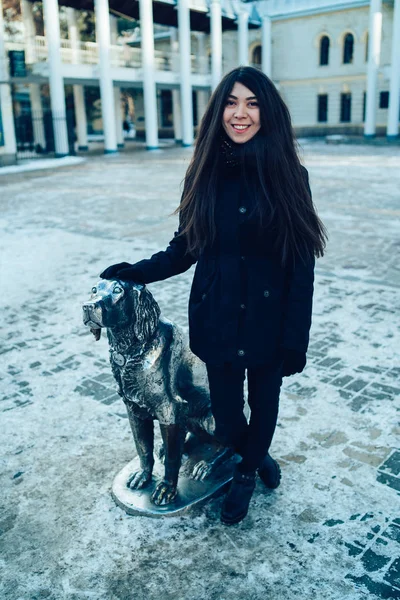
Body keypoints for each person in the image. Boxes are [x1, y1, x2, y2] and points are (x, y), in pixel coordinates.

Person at [100, 66, 327, 525]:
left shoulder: (290, 175)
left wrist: (294, 338)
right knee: (226, 419)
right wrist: (136, 273)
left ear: (268, 114)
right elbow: (184, 248)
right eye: (231, 102)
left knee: (263, 405)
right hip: (217, 317)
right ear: (218, 111)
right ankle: (255, 456)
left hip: (268, 319)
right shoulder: (202, 174)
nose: (240, 114)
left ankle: (245, 475)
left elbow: (301, 265)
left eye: (252, 103)